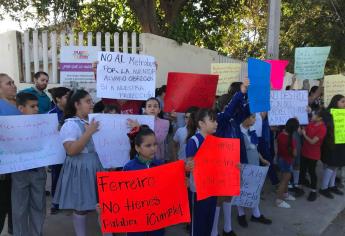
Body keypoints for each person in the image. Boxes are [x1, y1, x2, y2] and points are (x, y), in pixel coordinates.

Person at [53, 89, 103, 236]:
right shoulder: (70, 125)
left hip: (97, 166)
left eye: (91, 101)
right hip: (81, 167)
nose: (91, 104)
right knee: (81, 206)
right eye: (88, 101)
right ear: (77, 104)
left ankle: (108, 232)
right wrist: (88, 132)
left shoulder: (92, 121)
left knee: (104, 204)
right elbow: (71, 150)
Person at [211, 79, 250, 236]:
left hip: (232, 164)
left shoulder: (234, 121)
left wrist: (255, 93)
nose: (238, 109)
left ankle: (227, 228)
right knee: (219, 198)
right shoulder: (220, 119)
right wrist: (240, 93)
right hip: (220, 164)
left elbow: (247, 111)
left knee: (228, 196)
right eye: (235, 105)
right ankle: (213, 231)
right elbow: (230, 111)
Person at [11, 92, 47, 236]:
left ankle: (37, 233)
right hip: (19, 172)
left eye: (37, 106)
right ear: (21, 108)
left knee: (38, 206)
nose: (37, 109)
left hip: (38, 172)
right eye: (32, 106)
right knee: (19, 209)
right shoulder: (10, 127)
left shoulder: (44, 125)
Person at [124, 126, 165, 235]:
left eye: (155, 144)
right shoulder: (129, 168)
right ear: (137, 148)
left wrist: (182, 183)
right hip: (137, 219)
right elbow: (122, 195)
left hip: (157, 217)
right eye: (148, 145)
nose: (153, 148)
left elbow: (167, 189)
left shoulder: (160, 166)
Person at [186, 108, 218, 236]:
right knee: (198, 223)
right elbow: (188, 165)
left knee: (209, 221)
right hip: (198, 190)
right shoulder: (194, 141)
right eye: (212, 121)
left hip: (213, 187)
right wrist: (191, 165)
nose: (216, 123)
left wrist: (233, 166)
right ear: (201, 123)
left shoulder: (216, 141)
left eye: (216, 120)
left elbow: (222, 162)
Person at [236, 113, 271, 228]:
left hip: (254, 165)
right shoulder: (237, 133)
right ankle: (241, 214)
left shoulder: (252, 131)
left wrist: (262, 159)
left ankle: (256, 214)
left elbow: (255, 148)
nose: (255, 119)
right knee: (241, 190)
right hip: (243, 167)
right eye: (252, 117)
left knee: (254, 190)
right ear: (244, 118)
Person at [0, 73, 20, 235]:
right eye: (9, 83)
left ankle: (14, 230)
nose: (13, 85)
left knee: (16, 204)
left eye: (13, 82)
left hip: (19, 166)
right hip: (3, 168)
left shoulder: (18, 107)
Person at [47, 87, 71, 214]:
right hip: (57, 153)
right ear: (58, 99)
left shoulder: (72, 113)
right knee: (57, 176)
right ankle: (55, 202)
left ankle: (68, 200)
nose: (70, 99)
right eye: (67, 97)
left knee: (70, 176)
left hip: (71, 151)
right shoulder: (50, 115)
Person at [319, 94, 345, 199]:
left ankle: (332, 185)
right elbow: (327, 126)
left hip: (340, 143)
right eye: (343, 101)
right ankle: (324, 188)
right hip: (330, 144)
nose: (344, 104)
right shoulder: (326, 113)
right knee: (331, 164)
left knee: (336, 164)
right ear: (336, 102)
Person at [299, 108, 327, 201]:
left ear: (320, 118)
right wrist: (298, 124)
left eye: (314, 115)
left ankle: (313, 191)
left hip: (313, 154)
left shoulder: (322, 128)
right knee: (302, 170)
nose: (312, 116)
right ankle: (300, 187)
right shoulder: (311, 123)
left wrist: (304, 134)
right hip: (304, 151)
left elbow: (312, 142)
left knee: (312, 172)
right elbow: (302, 131)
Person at [276, 118, 300, 208]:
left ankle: (285, 194)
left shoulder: (281, 135)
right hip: (287, 161)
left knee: (285, 179)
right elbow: (295, 154)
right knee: (284, 180)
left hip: (281, 159)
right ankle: (279, 200)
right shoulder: (291, 140)